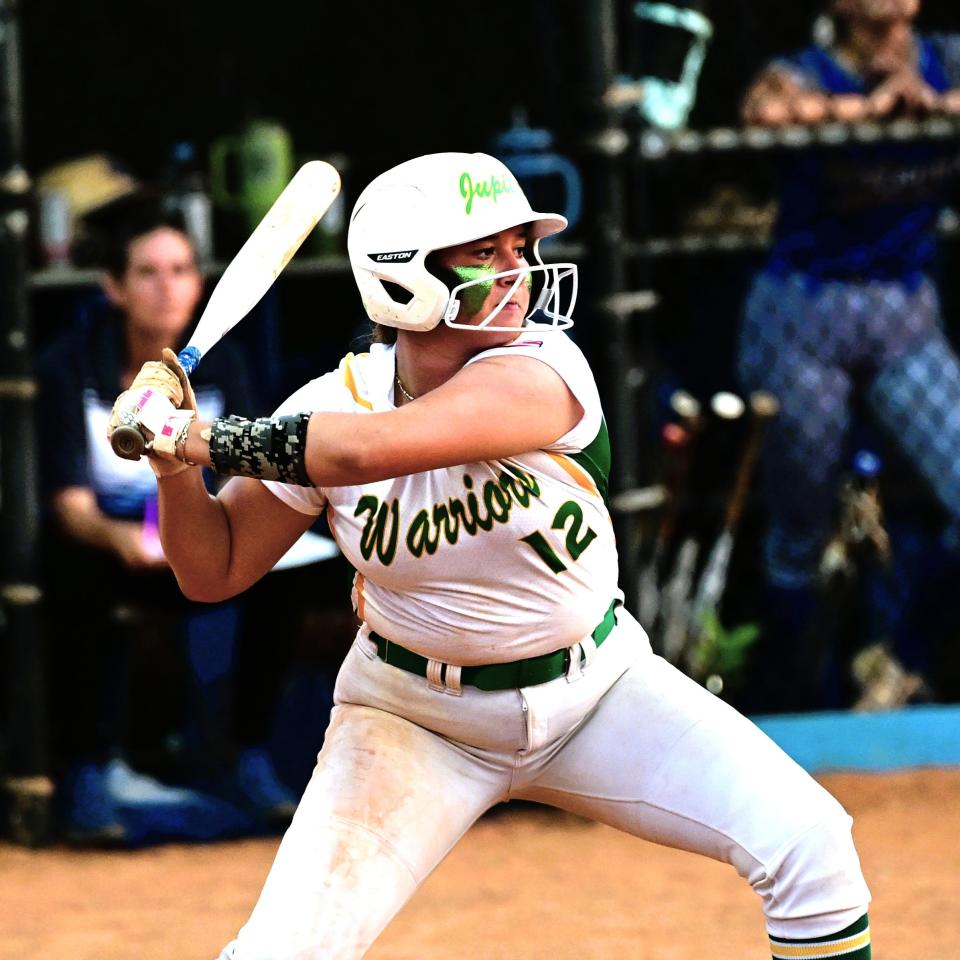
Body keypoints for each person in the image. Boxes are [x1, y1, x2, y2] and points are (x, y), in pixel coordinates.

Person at [109, 153, 872, 959]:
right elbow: (213, 568)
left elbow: (369, 451)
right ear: (404, 279)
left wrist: (193, 432)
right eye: (487, 252)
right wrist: (173, 466)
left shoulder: (544, 369)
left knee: (812, 848)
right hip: (410, 719)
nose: (521, 271)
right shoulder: (327, 407)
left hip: (597, 692)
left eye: (521, 248)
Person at [37, 204, 298, 843]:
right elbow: (70, 504)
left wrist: (206, 532)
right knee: (70, 577)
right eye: (148, 272)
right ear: (114, 289)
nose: (167, 286)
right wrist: (126, 539)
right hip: (110, 551)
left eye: (181, 270)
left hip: (197, 540)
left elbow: (242, 481)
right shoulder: (67, 367)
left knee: (283, 580)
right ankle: (88, 775)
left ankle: (249, 760)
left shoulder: (226, 365)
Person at [737, 0, 960, 712]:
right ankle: (795, 701)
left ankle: (903, 663)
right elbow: (764, 112)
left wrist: (933, 106)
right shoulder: (803, 69)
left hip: (903, 310)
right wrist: (867, 113)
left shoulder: (947, 58)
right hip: (804, 312)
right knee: (799, 529)